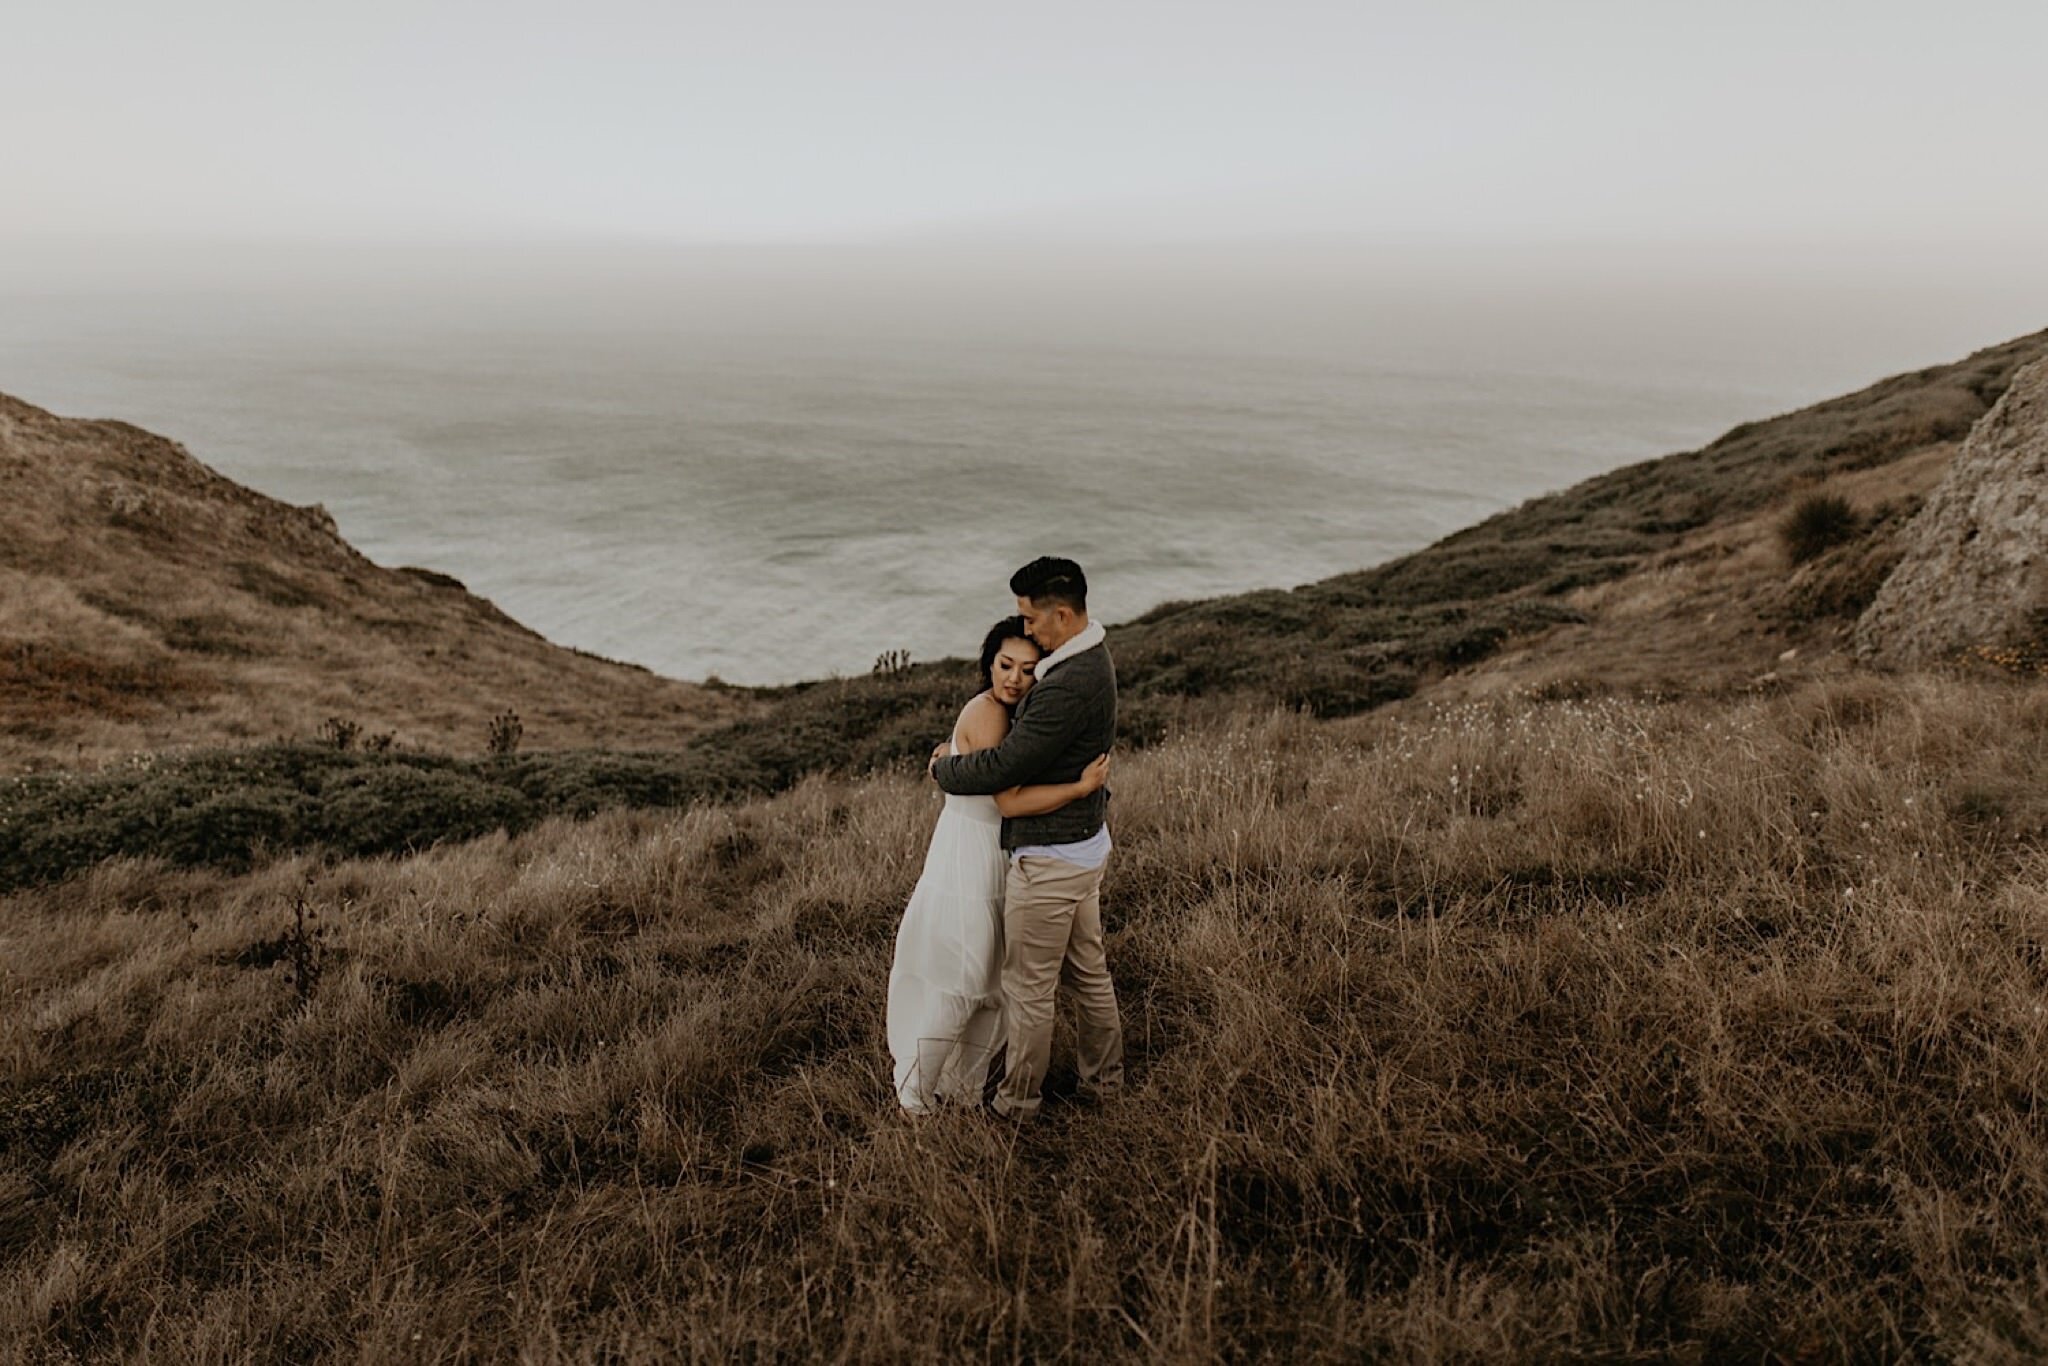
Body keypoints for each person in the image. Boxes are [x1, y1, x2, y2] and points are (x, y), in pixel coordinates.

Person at [886, 615, 1110, 1114]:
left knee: (991, 982)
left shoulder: (1019, 719)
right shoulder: (988, 714)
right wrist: (1078, 789)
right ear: (989, 664)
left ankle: (959, 1088)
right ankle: (916, 1094)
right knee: (966, 980)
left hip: (997, 856)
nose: (1013, 678)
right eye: (1005, 665)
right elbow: (1007, 799)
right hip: (969, 858)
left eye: (1028, 670)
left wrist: (943, 765)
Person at [929, 556, 1123, 1119]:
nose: (1028, 630)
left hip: (1052, 858)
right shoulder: (1088, 658)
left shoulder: (1068, 684)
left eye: (1032, 621)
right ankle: (1104, 1086)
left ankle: (1017, 1104)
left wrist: (944, 768)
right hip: (1083, 847)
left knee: (1029, 990)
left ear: (1061, 615)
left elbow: (1002, 769)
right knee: (1089, 972)